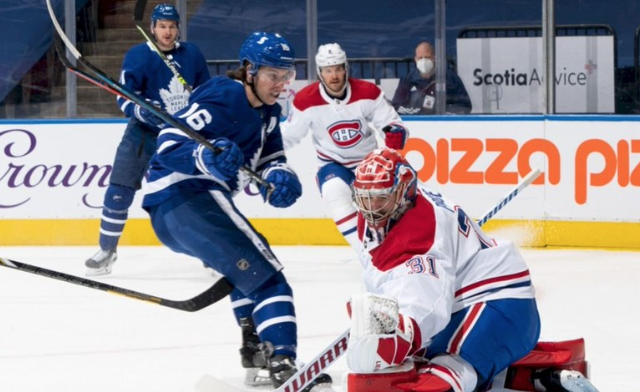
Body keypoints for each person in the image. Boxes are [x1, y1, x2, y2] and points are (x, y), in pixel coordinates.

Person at [140, 31, 328, 390]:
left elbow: (272, 159)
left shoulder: (269, 114)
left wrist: (279, 178)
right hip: (184, 197)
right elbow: (168, 142)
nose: (281, 84)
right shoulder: (223, 95)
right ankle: (283, 363)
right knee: (270, 277)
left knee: (250, 271)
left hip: (183, 208)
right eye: (273, 75)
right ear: (249, 70)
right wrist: (204, 155)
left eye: (286, 76)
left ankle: (257, 351)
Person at [345, 147, 541, 392]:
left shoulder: (420, 236)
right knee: (419, 360)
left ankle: (538, 379)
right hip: (463, 303)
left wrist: (402, 331)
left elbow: (428, 306)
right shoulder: (399, 204)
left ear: (403, 192)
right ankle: (502, 379)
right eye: (365, 197)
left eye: (380, 198)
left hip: (499, 305)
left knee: (446, 371)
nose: (371, 207)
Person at [85, 3, 211, 276]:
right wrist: (143, 110)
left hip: (181, 135)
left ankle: (211, 252)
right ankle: (107, 250)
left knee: (195, 193)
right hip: (143, 133)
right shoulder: (138, 56)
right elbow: (124, 96)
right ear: (153, 28)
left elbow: (205, 92)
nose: (167, 31)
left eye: (172, 26)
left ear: (178, 28)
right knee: (119, 190)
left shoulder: (192, 55)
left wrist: (196, 115)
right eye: (162, 26)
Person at [282, 42, 409, 255]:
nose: (334, 75)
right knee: (334, 195)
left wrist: (395, 132)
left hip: (369, 165)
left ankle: (399, 248)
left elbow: (391, 121)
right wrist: (262, 148)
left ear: (345, 68)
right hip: (333, 164)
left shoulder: (368, 92)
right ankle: (368, 257)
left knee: (386, 210)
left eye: (338, 68)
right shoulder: (306, 101)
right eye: (328, 70)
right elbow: (288, 136)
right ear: (320, 73)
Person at [392, 40, 472, 115]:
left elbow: (465, 106)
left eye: (427, 57)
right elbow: (397, 106)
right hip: (416, 125)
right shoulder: (408, 80)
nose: (423, 61)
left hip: (445, 125)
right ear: (415, 59)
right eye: (420, 58)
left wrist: (441, 112)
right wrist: (420, 113)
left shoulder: (449, 77)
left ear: (434, 58)